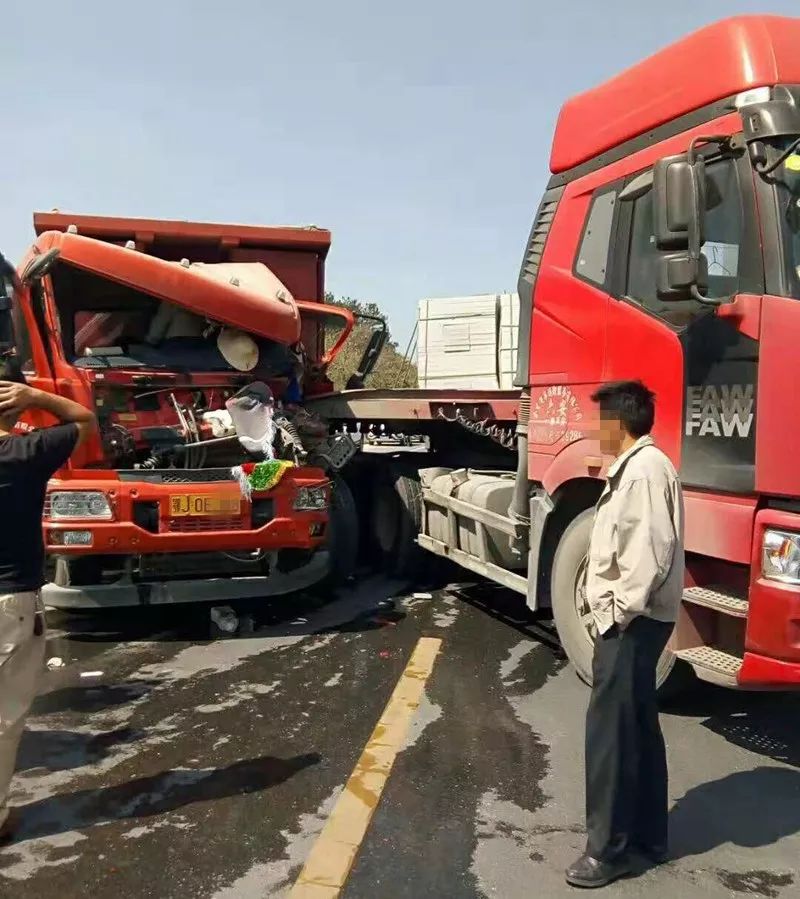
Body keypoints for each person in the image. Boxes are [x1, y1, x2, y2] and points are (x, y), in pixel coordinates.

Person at [566, 380, 684, 889]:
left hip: (632, 622)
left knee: (610, 733)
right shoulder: (640, 468)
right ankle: (649, 839)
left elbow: (651, 553)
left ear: (619, 424)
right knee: (637, 725)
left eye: (600, 422)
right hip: (640, 618)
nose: (596, 431)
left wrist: (616, 614)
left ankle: (607, 851)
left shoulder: (643, 472)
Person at [0, 376, 95, 843]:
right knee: (4, 715)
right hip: (9, 603)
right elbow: (85, 420)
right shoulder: (25, 454)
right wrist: (38, 396)